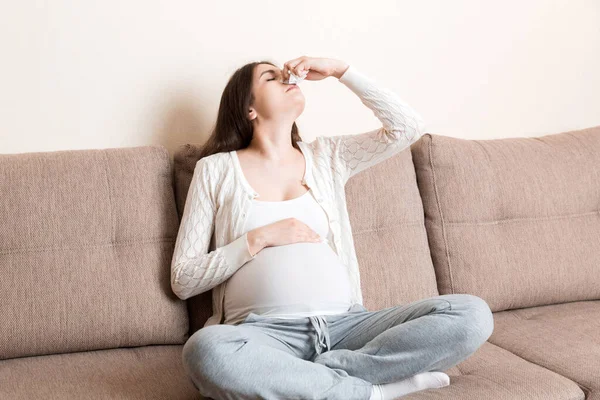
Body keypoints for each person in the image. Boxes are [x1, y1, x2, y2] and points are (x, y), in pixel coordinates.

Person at [172, 56, 494, 399]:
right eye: (271, 78)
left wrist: (341, 72)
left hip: (348, 328)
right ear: (248, 108)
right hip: (263, 335)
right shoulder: (215, 170)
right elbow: (183, 279)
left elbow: (407, 127)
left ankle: (317, 380)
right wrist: (258, 238)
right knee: (205, 350)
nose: (287, 79)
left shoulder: (328, 157)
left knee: (472, 314)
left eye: (285, 75)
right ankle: (374, 393)